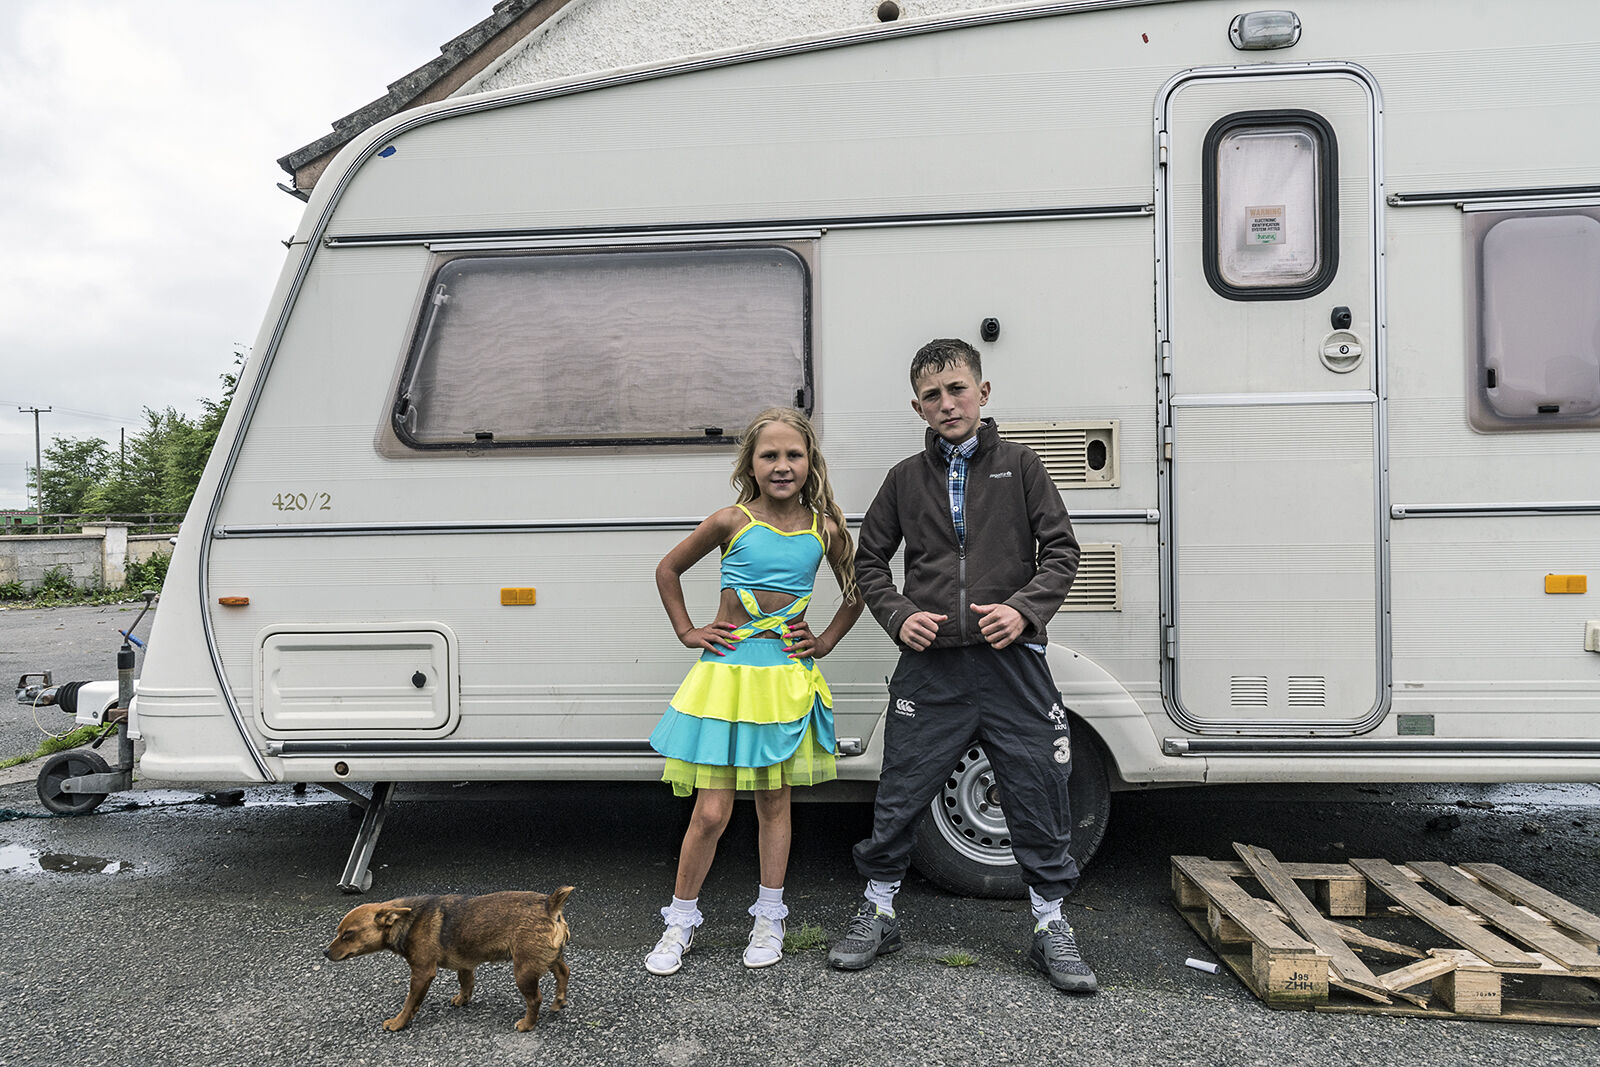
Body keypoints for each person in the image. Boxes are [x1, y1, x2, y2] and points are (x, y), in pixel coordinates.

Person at [826, 338, 1097, 993]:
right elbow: (867, 563)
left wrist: (1025, 609)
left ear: (983, 392)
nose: (947, 403)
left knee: (1035, 787)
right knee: (901, 790)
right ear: (917, 406)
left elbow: (1062, 552)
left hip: (1013, 662)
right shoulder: (903, 479)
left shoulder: (1024, 467)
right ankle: (880, 909)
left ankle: (1050, 925)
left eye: (957, 389)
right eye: (933, 395)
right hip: (932, 667)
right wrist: (896, 614)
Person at [645, 407, 863, 975]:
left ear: (810, 462)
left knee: (773, 803)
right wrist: (689, 631)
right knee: (711, 812)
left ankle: (770, 917)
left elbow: (857, 590)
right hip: (727, 678)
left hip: (784, 681)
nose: (782, 465)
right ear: (752, 464)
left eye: (794, 454)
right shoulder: (730, 521)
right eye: (770, 455)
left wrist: (827, 641)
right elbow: (668, 570)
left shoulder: (826, 529)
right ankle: (680, 921)